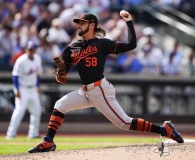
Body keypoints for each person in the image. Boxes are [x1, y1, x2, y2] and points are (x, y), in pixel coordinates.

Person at [28, 11, 184, 153]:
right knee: (59, 105)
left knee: (125, 123)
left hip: (100, 89)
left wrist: (129, 22)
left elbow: (132, 45)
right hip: (86, 91)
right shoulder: (74, 47)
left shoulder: (102, 44)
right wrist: (63, 71)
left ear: (91, 25)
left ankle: (165, 130)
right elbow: (66, 66)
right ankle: (48, 141)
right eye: (78, 23)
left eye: (82, 23)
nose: (79, 25)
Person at [6, 41, 43, 139]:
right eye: (29, 49)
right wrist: (17, 90)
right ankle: (11, 134)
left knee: (37, 111)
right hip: (22, 88)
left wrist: (38, 86)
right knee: (19, 110)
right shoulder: (21, 60)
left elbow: (38, 75)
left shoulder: (38, 58)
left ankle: (33, 133)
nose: (31, 51)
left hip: (33, 88)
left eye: (33, 49)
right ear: (26, 49)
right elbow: (15, 76)